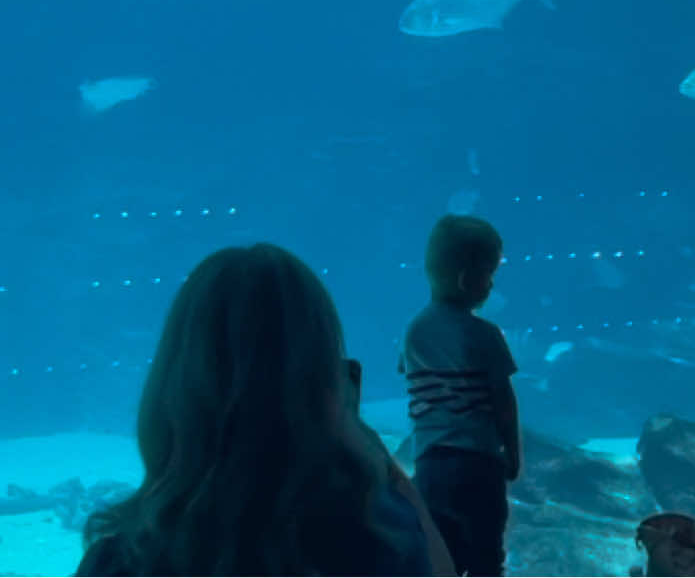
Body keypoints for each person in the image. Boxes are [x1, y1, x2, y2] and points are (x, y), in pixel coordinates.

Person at [77, 243, 445, 576]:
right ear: (325, 387)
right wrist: (380, 464)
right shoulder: (381, 540)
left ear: (172, 392)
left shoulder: (121, 561)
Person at [402, 215, 521, 577]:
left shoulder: (414, 331)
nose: (490, 284)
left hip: (430, 466)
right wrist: (513, 450)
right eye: (489, 274)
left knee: (439, 554)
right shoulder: (484, 335)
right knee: (487, 555)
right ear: (468, 280)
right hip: (478, 465)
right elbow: (503, 398)